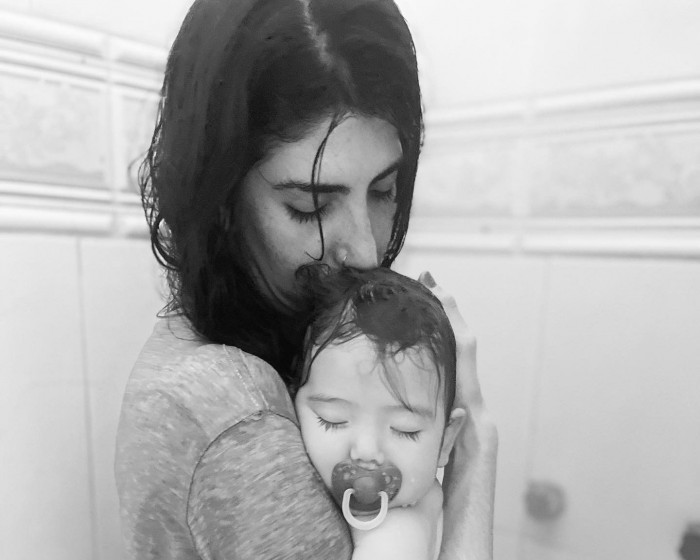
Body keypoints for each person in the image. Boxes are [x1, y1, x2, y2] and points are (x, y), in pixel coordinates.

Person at [115, 0, 498, 559]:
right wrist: (477, 451)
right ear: (220, 201)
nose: (366, 251)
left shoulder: (233, 341)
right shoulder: (239, 421)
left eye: (385, 191)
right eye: (310, 207)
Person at [293, 267, 467, 560]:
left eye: (405, 430)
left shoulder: (397, 536)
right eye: (332, 419)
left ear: (445, 442)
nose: (366, 451)